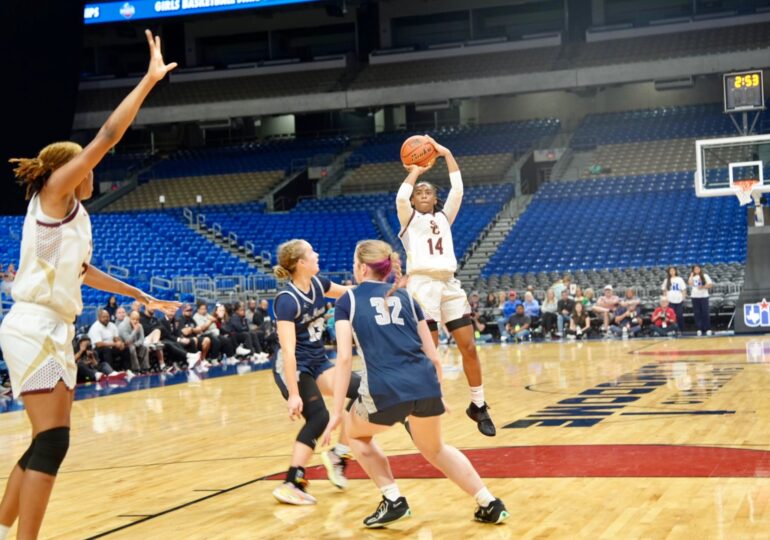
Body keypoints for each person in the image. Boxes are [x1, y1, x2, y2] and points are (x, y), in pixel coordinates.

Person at [0, 29, 178, 540]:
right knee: (52, 441)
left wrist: (139, 294)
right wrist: (147, 81)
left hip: (51, 325)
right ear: (66, 169)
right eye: (84, 162)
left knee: (45, 440)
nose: (93, 167)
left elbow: (86, 273)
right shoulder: (54, 193)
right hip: (33, 324)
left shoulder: (75, 216)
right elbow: (107, 137)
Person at [322, 240, 509, 528]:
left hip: (383, 389)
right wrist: (439, 394)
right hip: (424, 385)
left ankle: (392, 498)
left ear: (360, 268)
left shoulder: (348, 299)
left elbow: (345, 359)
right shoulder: (409, 298)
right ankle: (489, 502)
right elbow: (433, 356)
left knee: (354, 433)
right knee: (436, 449)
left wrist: (336, 412)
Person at [396, 137, 496, 436]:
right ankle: (415, 408)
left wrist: (447, 153)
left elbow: (459, 189)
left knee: (469, 346)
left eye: (429, 191)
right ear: (415, 200)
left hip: (449, 284)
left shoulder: (443, 217)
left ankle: (478, 405)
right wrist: (416, 170)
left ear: (435, 199)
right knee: (430, 351)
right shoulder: (408, 218)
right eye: (419, 191)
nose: (423, 192)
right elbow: (401, 197)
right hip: (422, 285)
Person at [271, 239, 361, 505]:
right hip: (294, 368)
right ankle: (291, 482)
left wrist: (380, 288)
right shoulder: (287, 300)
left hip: (318, 361)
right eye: (312, 252)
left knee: (362, 390)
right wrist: (294, 395)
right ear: (301, 263)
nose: (317, 254)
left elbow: (350, 293)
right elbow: (288, 352)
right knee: (319, 417)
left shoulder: (319, 284)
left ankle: (339, 454)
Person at [689, 265, 713, 336]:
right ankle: (699, 329)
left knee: (705, 313)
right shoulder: (692, 277)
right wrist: (691, 275)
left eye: (697, 268)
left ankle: (707, 328)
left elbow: (710, 285)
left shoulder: (705, 275)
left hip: (704, 297)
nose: (696, 270)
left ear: (700, 269)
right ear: (693, 270)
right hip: (695, 297)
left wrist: (703, 287)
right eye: (695, 269)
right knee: (697, 313)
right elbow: (689, 283)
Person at [662, 267, 687, 333]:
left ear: (675, 271)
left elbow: (684, 289)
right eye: (670, 271)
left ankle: (682, 330)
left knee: (679, 315)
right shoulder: (666, 280)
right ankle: (673, 330)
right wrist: (665, 299)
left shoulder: (679, 279)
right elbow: (664, 291)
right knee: (671, 316)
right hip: (670, 301)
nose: (672, 272)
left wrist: (683, 298)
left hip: (679, 300)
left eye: (673, 270)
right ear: (669, 272)